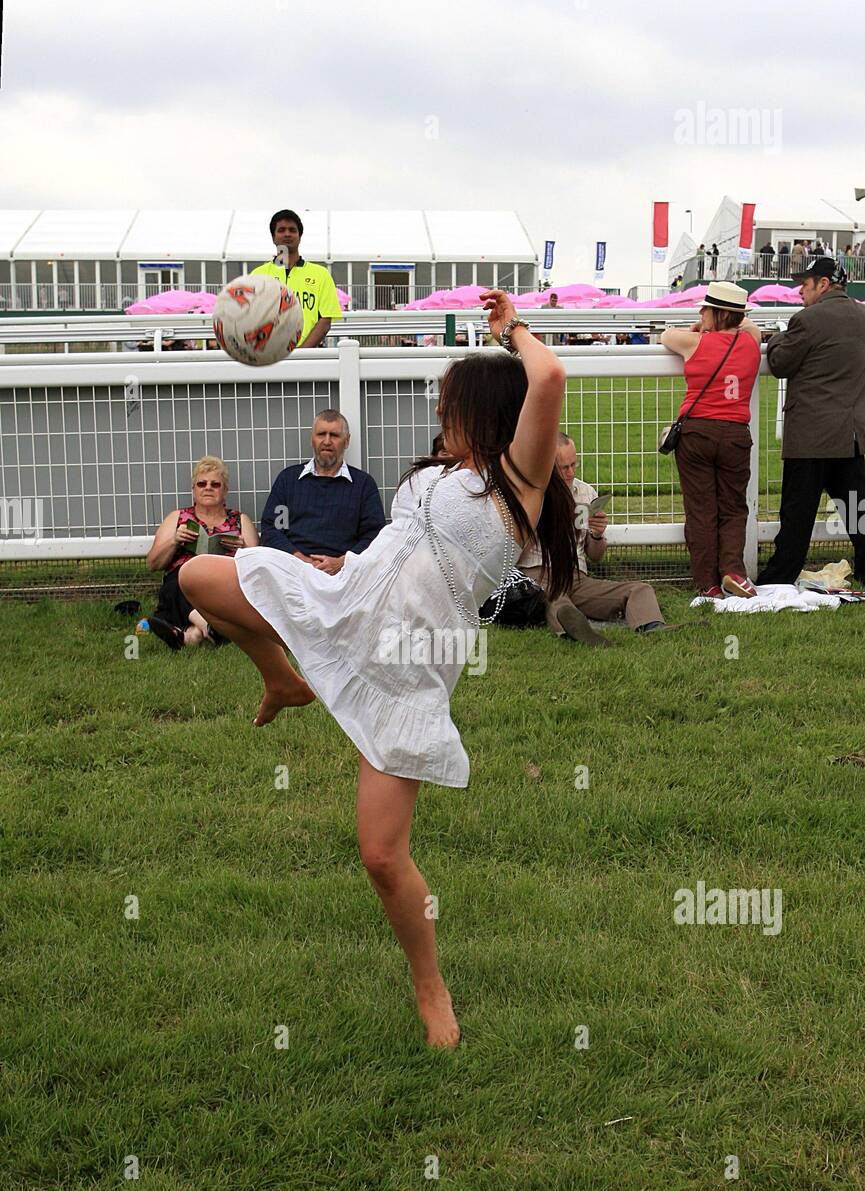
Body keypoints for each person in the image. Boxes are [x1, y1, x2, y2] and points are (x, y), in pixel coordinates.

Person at [177, 288, 579, 1049]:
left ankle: (431, 989)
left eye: (449, 405)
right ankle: (282, 679)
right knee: (199, 578)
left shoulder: (516, 483)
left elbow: (549, 377)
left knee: (380, 856)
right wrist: (340, 562)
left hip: (407, 667)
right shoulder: (435, 474)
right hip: (345, 603)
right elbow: (398, 548)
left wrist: (510, 329)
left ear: (486, 410)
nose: (439, 416)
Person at [755, 256, 865, 586]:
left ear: (824, 284)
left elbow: (780, 363)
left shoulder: (807, 319)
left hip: (812, 437)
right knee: (858, 513)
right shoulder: (862, 316)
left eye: (805, 284)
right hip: (853, 435)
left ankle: (779, 577)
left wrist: (775, 338)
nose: (800, 291)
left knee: (797, 516)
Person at [660, 281, 762, 597]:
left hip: (697, 433)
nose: (701, 313)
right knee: (733, 507)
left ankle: (708, 584)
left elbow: (665, 336)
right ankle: (733, 570)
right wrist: (728, 317)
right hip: (735, 434)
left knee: (701, 509)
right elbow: (749, 325)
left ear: (715, 313)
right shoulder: (750, 342)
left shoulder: (694, 343)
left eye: (705, 309)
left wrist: (701, 329)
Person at [519, 434, 673, 640]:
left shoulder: (585, 493)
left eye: (574, 464)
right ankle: (572, 630)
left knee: (640, 588)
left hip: (577, 577)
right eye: (563, 467)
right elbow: (515, 552)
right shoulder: (529, 493)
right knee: (556, 597)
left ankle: (651, 626)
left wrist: (597, 534)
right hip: (539, 572)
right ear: (546, 464)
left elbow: (595, 556)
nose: (571, 472)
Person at [146, 457, 259, 649]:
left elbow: (258, 568)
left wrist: (244, 549)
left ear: (224, 491)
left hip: (223, 580)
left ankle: (190, 635)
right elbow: (153, 563)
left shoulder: (240, 520)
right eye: (202, 483)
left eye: (215, 484)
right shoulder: (177, 518)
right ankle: (209, 628)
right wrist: (175, 540)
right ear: (194, 490)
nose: (208, 488)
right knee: (178, 581)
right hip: (183, 579)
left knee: (188, 590)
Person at [259, 411, 385, 572]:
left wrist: (342, 563)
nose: (327, 441)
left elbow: (374, 535)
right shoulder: (288, 480)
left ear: (346, 441)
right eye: (321, 434)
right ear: (312, 439)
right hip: (292, 571)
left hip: (344, 575)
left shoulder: (363, 485)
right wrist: (300, 560)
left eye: (334, 435)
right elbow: (273, 529)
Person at [251, 209, 342, 348]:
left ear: (299, 236)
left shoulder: (321, 275)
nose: (287, 234)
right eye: (281, 230)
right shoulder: (258, 275)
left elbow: (325, 321)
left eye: (292, 230)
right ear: (273, 237)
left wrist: (301, 354)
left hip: (307, 358)